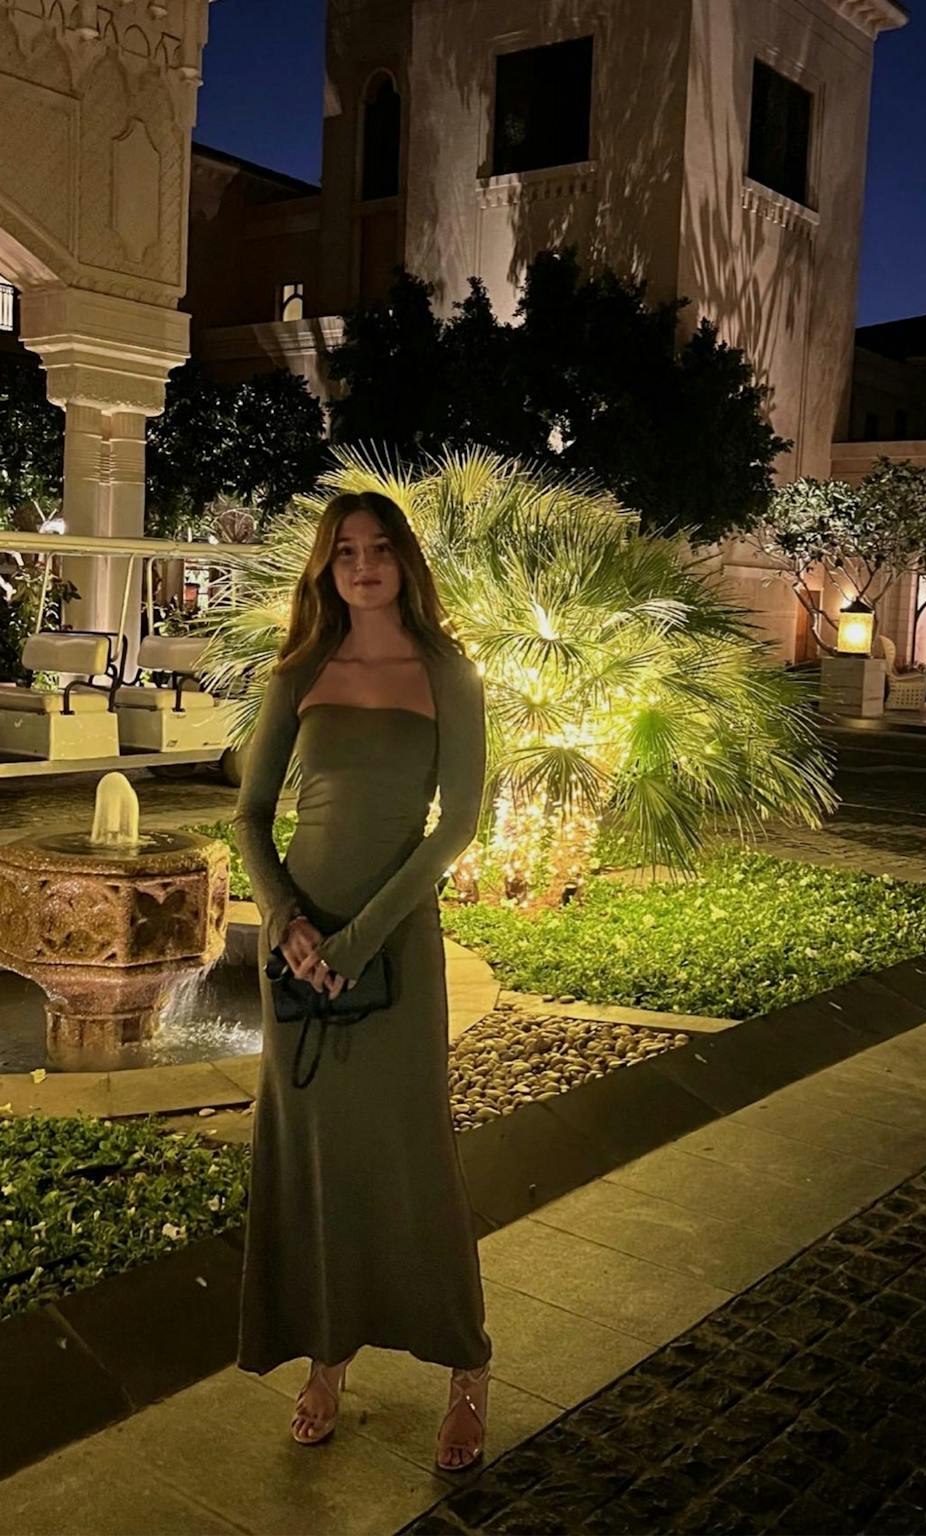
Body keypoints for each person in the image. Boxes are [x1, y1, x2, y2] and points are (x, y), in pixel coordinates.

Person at [234, 490, 493, 1470]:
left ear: (404, 561)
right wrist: (288, 923)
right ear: (325, 567)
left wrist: (357, 942)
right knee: (314, 1159)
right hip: (296, 952)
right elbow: (252, 817)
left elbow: (456, 826)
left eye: (380, 548)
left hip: (394, 944)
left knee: (412, 1153)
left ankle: (466, 1365)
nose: (364, 565)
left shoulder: (447, 673)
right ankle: (326, 1356)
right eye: (344, 551)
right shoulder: (299, 671)